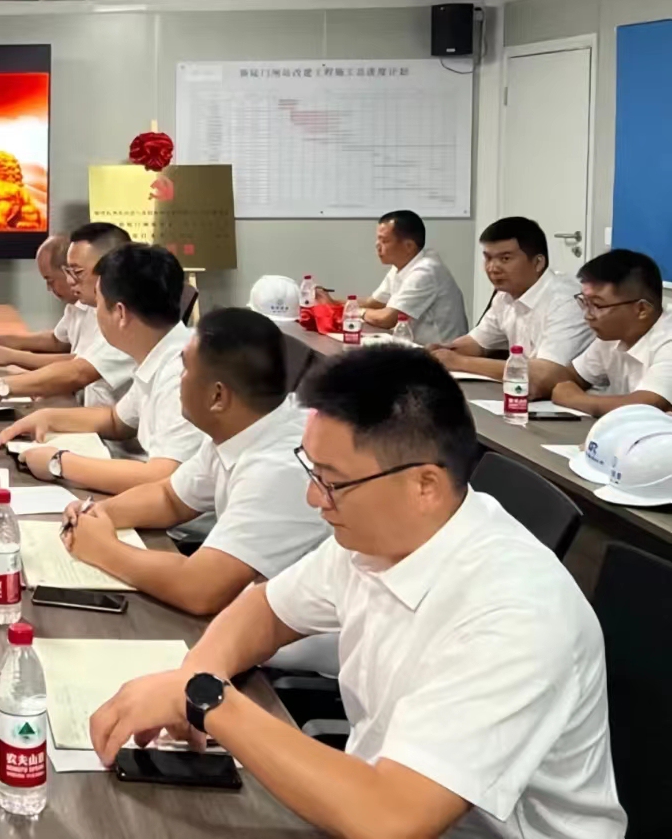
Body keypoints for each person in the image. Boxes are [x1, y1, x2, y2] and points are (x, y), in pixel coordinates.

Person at [89, 347, 625, 839]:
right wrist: (195, 677)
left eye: (332, 480)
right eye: (312, 469)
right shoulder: (379, 537)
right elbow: (264, 610)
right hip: (375, 800)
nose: (313, 496)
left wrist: (207, 702)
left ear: (424, 485)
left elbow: (391, 818)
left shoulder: (517, 613)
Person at [59, 308, 327, 616]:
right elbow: (170, 498)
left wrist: (103, 549)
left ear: (217, 397)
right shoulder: (243, 426)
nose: (179, 379)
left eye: (185, 369)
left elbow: (200, 589)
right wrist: (99, 514)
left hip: (300, 642)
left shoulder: (279, 468)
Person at [11, 244, 207, 495]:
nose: (96, 313)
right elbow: (116, 421)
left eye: (99, 303)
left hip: (174, 517)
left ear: (120, 313)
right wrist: (48, 418)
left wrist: (59, 463)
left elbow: (161, 478)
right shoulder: (159, 352)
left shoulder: (182, 373)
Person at [0, 224, 136, 416]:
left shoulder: (127, 319)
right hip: (96, 417)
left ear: (111, 270)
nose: (71, 281)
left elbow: (78, 371)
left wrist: (2, 385)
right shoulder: (102, 308)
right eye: (68, 272)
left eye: (77, 272)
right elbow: (113, 421)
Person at [430, 216, 591, 392]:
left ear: (538, 263)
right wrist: (441, 352)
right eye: (488, 258)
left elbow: (545, 373)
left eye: (505, 259)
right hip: (527, 393)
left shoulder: (566, 301)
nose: (493, 268)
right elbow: (478, 343)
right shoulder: (504, 296)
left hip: (573, 400)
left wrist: (460, 362)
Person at [539, 249, 672, 416]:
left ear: (642, 309)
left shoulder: (667, 340)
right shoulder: (611, 335)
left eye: (597, 305)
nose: (587, 315)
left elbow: (645, 405)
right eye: (585, 302)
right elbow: (572, 376)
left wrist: (575, 399)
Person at [321, 210, 467, 344]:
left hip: (440, 355)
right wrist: (332, 302)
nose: (377, 245)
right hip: (415, 347)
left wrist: (354, 312)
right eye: (378, 240)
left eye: (384, 241)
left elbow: (387, 319)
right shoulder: (403, 264)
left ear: (409, 246)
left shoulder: (426, 271)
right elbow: (375, 303)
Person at [0, 232, 86, 371]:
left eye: (50, 280)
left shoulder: (99, 309)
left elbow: (81, 365)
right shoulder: (77, 306)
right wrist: (0, 341)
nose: (49, 288)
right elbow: (58, 340)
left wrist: (12, 357)